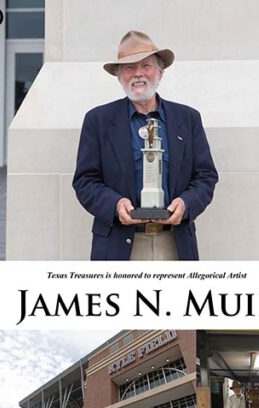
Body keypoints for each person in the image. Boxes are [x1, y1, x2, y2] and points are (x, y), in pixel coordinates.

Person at [73, 30, 218, 262]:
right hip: (119, 246)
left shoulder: (187, 119)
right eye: (129, 68)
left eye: (146, 66)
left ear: (160, 72)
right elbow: (85, 181)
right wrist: (115, 205)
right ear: (119, 76)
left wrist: (186, 204)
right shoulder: (98, 120)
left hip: (175, 245)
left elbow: (206, 176)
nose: (138, 74)